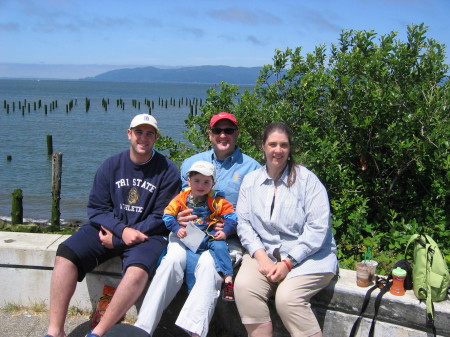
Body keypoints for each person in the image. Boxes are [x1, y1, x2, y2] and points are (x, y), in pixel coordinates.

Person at [44, 114, 180, 337]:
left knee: (137, 273)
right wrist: (121, 231)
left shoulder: (168, 170)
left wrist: (121, 238)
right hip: (110, 228)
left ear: (156, 137)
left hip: (149, 235)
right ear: (129, 134)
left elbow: (162, 215)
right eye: (138, 132)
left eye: (149, 133)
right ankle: (55, 330)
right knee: (65, 254)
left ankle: (98, 332)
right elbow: (97, 208)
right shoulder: (111, 165)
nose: (143, 138)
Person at [135, 112, 261, 337]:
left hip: (224, 237)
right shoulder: (190, 163)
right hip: (189, 232)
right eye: (217, 130)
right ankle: (142, 330)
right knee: (170, 262)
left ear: (237, 134)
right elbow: (180, 201)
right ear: (210, 135)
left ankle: (194, 332)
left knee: (209, 266)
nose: (223, 135)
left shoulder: (252, 168)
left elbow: (253, 213)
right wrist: (179, 219)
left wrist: (229, 227)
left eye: (229, 130)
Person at [234, 122, 338, 337]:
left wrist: (288, 262)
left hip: (310, 257)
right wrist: (261, 257)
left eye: (283, 145)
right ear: (263, 146)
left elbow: (318, 228)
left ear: (290, 148)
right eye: (272, 144)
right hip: (266, 253)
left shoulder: (308, 181)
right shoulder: (251, 182)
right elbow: (244, 223)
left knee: (287, 299)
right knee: (244, 287)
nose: (277, 150)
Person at [163, 160, 237, 300]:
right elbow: (168, 216)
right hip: (192, 234)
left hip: (212, 233)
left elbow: (231, 216)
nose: (201, 186)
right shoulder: (181, 199)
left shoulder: (217, 200)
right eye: (197, 181)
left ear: (213, 184)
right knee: (192, 261)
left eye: (206, 182)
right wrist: (177, 228)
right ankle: (192, 293)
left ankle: (228, 280)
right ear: (189, 181)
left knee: (221, 248)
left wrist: (226, 230)